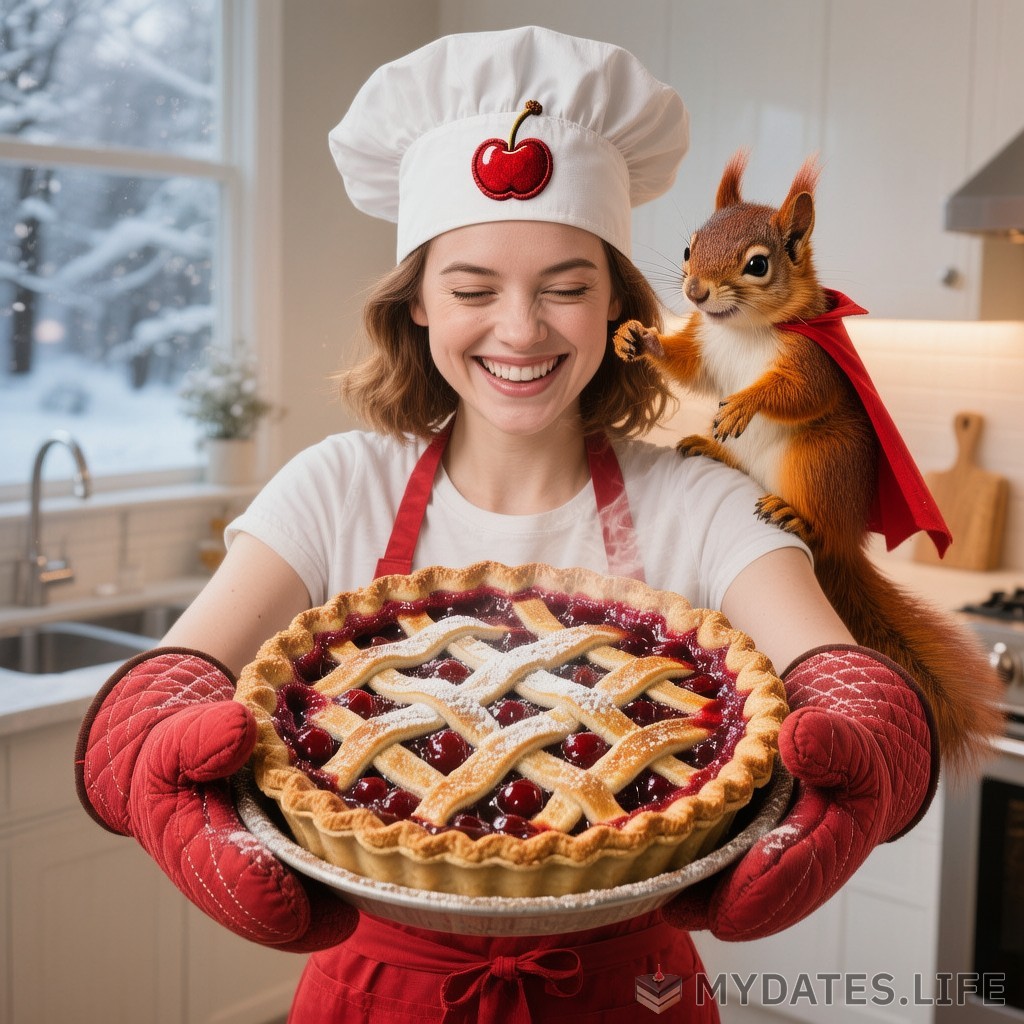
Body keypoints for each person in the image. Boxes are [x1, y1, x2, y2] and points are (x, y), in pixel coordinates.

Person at [75, 25, 938, 1023]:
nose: (521, 329)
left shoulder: (700, 501)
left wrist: (879, 744)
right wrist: (143, 764)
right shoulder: (334, 487)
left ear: (619, 303)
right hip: (373, 993)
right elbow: (162, 688)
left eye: (566, 288)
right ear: (416, 308)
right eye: (473, 288)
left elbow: (835, 669)